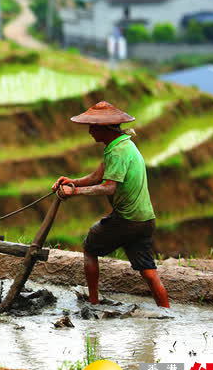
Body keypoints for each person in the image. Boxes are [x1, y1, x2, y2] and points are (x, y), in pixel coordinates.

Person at [52, 101, 169, 308]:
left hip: (127, 220)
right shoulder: (123, 144)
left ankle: (93, 301)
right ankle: (166, 311)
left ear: (104, 128)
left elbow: (108, 187)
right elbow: (98, 176)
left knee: (89, 247)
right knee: (148, 271)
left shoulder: (116, 152)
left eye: (93, 127)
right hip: (145, 219)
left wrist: (75, 192)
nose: (89, 131)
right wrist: (72, 181)